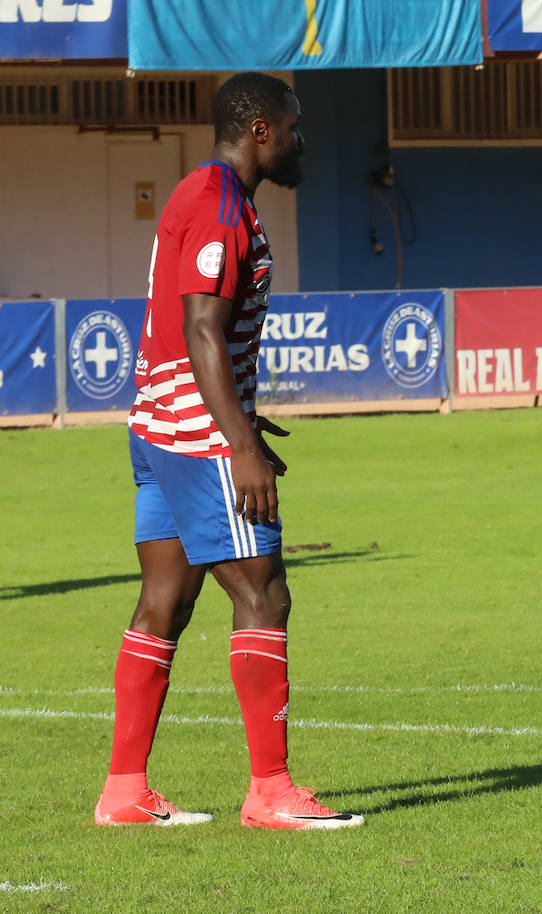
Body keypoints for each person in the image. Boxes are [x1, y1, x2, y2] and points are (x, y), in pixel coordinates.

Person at [94, 72, 362, 830]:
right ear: (261, 130)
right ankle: (270, 791)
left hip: (162, 425)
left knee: (166, 603)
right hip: (198, 437)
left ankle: (123, 791)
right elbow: (201, 326)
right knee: (262, 595)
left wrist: (245, 414)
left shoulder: (209, 196)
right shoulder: (217, 206)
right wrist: (239, 441)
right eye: (296, 125)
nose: (304, 138)